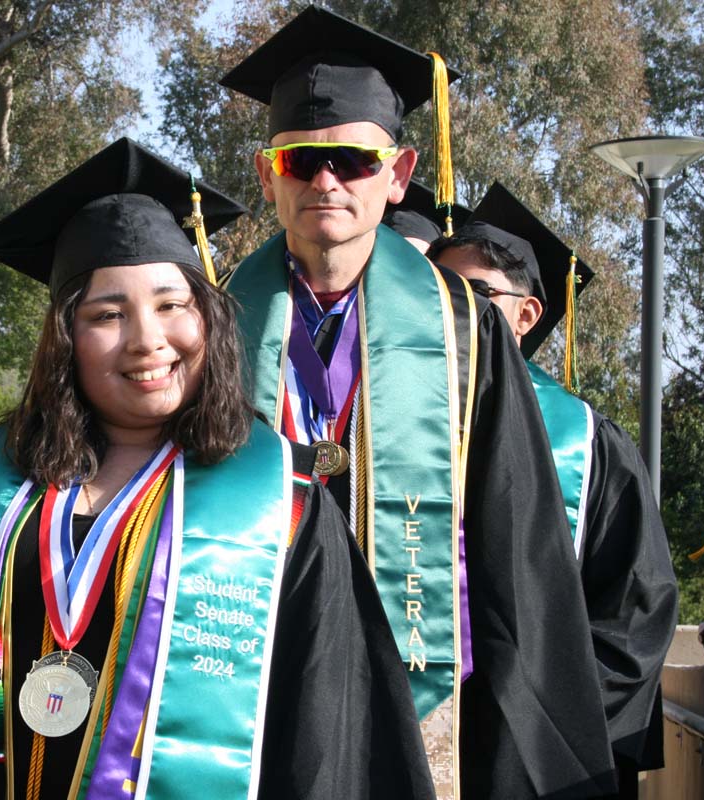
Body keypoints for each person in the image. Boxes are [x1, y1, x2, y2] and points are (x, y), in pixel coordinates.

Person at [0, 138, 435, 799]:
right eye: (107, 314)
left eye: (171, 304)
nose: (147, 339)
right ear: (65, 339)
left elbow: (326, 738)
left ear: (207, 319)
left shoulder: (282, 503)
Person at [219, 6, 617, 798]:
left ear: (398, 174)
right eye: (301, 162)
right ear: (268, 176)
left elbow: (519, 550)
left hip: (428, 695)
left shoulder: (468, 333)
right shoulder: (210, 326)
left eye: (355, 163)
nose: (326, 182)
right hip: (249, 680)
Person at [426, 182, 678, 799]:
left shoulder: (588, 443)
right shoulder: (397, 427)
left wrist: (540, 710)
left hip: (539, 747)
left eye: (477, 295)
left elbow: (636, 609)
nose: (455, 310)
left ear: (527, 314)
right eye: (440, 293)